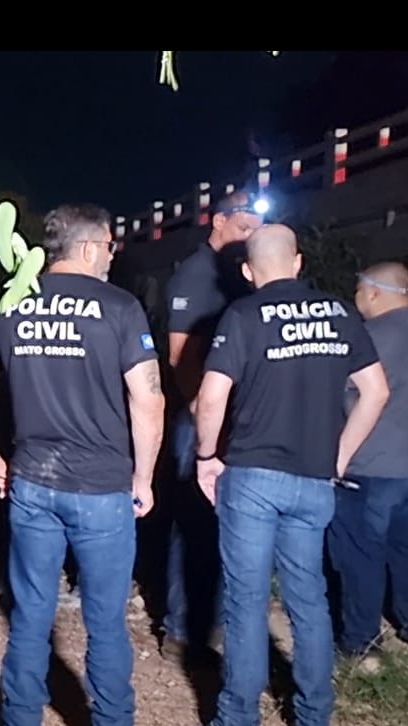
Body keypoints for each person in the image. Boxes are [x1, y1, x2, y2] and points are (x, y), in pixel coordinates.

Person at [0, 203, 164, 726]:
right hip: (103, 490)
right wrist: (143, 477)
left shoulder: (13, 302)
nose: (112, 255)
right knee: (106, 627)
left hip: (33, 486)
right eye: (109, 245)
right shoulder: (120, 307)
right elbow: (149, 399)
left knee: (30, 618)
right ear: (87, 248)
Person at [170, 224, 390, 726]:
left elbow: (212, 397)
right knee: (308, 598)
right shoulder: (339, 313)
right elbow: (376, 391)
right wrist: (339, 455)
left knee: (246, 602)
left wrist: (206, 457)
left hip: (253, 476)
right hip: (314, 480)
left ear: (248, 272)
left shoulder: (243, 315)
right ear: (297, 263)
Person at [160, 190, 265, 661]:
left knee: (227, 519)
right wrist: (203, 413)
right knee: (194, 520)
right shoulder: (196, 275)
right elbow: (179, 355)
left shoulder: (238, 275)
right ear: (217, 222)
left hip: (236, 416)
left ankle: (218, 618)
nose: (250, 236)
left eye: (256, 230)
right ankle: (182, 627)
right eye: (243, 227)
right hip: (201, 418)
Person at [327, 262, 408, 657]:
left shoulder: (371, 336)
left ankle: (361, 639)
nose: (356, 298)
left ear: (375, 292)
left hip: (371, 465)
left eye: (359, 291)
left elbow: (344, 391)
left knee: (360, 553)